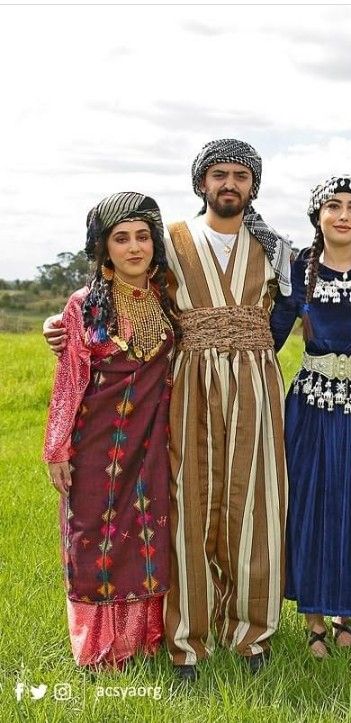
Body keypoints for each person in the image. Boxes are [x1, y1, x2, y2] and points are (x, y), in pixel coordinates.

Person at [43, 139, 293, 681]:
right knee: (187, 505)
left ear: (253, 185)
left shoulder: (275, 246)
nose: (230, 184)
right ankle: (187, 639)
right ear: (201, 181)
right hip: (190, 382)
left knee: (256, 503)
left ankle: (252, 633)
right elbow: (117, 295)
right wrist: (61, 328)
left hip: (254, 379)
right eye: (218, 174)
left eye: (241, 176)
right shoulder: (171, 242)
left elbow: (296, 308)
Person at [44, 192, 178, 668]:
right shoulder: (83, 306)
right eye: (121, 238)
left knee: (146, 533)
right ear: (103, 248)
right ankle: (99, 648)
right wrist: (57, 447)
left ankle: (144, 639)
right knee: (92, 537)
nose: (134, 247)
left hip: (152, 443)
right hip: (96, 440)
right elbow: (70, 378)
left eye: (143, 236)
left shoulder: (169, 296)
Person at [271, 176, 351, 658]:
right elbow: (270, 334)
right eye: (333, 206)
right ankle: (315, 622)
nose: (343, 215)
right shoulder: (299, 270)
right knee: (311, 503)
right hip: (313, 405)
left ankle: (348, 616)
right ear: (317, 215)